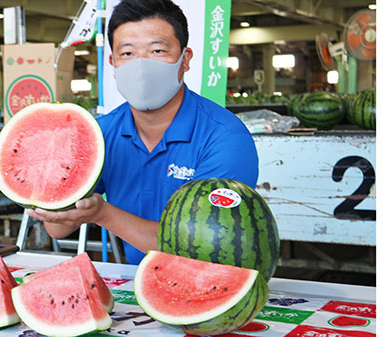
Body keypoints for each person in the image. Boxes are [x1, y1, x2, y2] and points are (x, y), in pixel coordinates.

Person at [27, 0, 258, 265]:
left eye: (158, 50)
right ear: (112, 62)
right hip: (135, 281)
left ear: (185, 59)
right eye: (127, 54)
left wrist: (102, 213)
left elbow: (203, 246)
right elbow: (57, 230)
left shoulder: (225, 138)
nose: (141, 65)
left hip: (211, 280)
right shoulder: (101, 133)